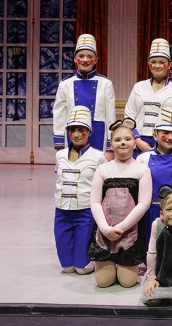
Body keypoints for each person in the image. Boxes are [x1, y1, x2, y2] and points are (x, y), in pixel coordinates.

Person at [88, 118, 150, 288]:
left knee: (127, 282)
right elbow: (94, 201)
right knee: (103, 282)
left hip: (130, 232)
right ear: (111, 144)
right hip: (104, 232)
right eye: (117, 140)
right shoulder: (103, 169)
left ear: (134, 144)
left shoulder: (142, 170)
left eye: (127, 139)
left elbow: (143, 203)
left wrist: (122, 227)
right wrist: (106, 229)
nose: (123, 143)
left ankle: (124, 263)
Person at [54, 106, 106, 275]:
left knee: (82, 268)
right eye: (72, 130)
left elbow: (104, 186)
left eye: (81, 130)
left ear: (89, 132)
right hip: (62, 211)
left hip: (85, 211)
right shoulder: (59, 155)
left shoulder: (98, 156)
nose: (76, 135)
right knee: (67, 267)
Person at [136, 108, 172, 254]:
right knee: (150, 250)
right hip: (149, 211)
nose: (170, 137)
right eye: (165, 133)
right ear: (155, 135)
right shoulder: (143, 158)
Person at [53, 34, 116, 157]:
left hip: (98, 134)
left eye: (90, 56)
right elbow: (59, 116)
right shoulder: (65, 85)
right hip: (73, 135)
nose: (85, 60)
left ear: (96, 60)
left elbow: (111, 117)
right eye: (81, 56)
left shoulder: (106, 84)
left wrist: (109, 147)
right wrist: (59, 145)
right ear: (75, 59)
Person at [125, 38, 172, 153]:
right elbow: (129, 116)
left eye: (161, 62)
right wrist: (137, 140)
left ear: (169, 65)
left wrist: (165, 141)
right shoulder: (138, 87)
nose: (157, 66)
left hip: (167, 143)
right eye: (153, 62)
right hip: (138, 142)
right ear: (149, 65)